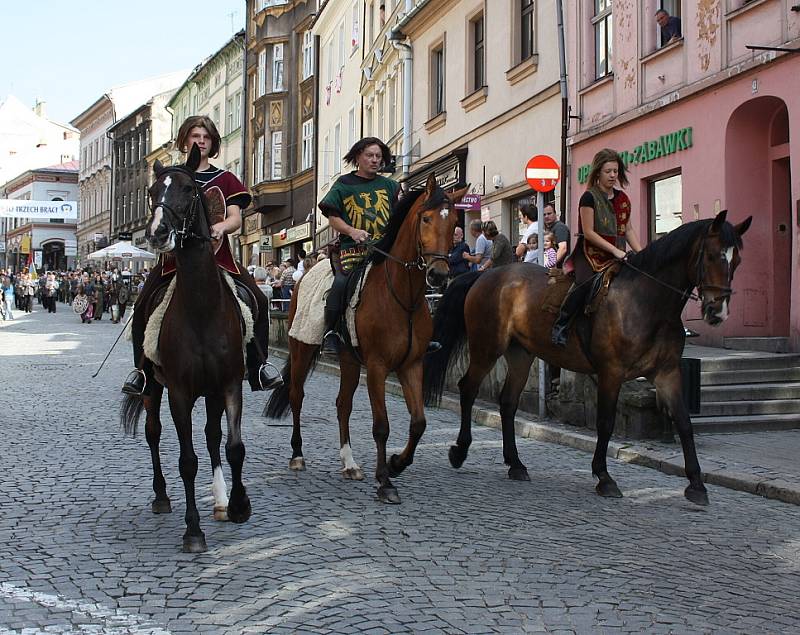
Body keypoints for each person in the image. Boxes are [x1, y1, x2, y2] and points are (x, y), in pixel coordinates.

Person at [122, 115, 281, 395]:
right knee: (143, 305)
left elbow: (235, 219)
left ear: (213, 142)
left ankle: (259, 365)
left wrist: (220, 227)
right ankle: (141, 371)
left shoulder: (225, 178)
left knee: (257, 299)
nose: (201, 142)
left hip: (218, 259)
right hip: (175, 262)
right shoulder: (171, 177)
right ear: (186, 141)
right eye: (196, 136)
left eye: (206, 137)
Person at [551, 148, 643, 346]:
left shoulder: (623, 200)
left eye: (615, 171)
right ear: (598, 173)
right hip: (590, 253)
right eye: (608, 171)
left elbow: (628, 230)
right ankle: (562, 325)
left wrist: (642, 253)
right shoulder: (589, 197)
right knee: (583, 282)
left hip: (618, 255)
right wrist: (615, 250)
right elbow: (589, 232)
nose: (612, 175)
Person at [542, 202, 571, 267]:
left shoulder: (560, 227)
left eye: (549, 213)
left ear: (555, 214)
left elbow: (563, 248)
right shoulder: (548, 229)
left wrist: (550, 264)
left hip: (560, 269)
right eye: (544, 214)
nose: (546, 216)